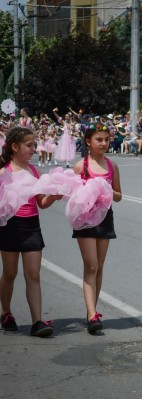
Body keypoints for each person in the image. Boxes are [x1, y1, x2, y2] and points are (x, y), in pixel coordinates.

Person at [0, 127, 62, 337]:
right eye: (29, 145)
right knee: (10, 273)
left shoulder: (35, 171)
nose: (33, 149)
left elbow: (41, 203)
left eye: (34, 145)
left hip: (31, 226)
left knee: (33, 274)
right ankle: (6, 312)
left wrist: (52, 197)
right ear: (15, 147)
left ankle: (37, 322)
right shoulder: (4, 172)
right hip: (10, 227)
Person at [72, 122, 122, 334]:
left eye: (106, 139)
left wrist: (107, 191)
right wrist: (88, 192)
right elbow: (73, 198)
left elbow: (119, 196)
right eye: (99, 140)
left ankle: (92, 309)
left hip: (105, 218)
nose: (103, 143)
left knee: (99, 266)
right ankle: (92, 315)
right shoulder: (80, 166)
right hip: (85, 219)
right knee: (90, 266)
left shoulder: (112, 166)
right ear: (88, 142)